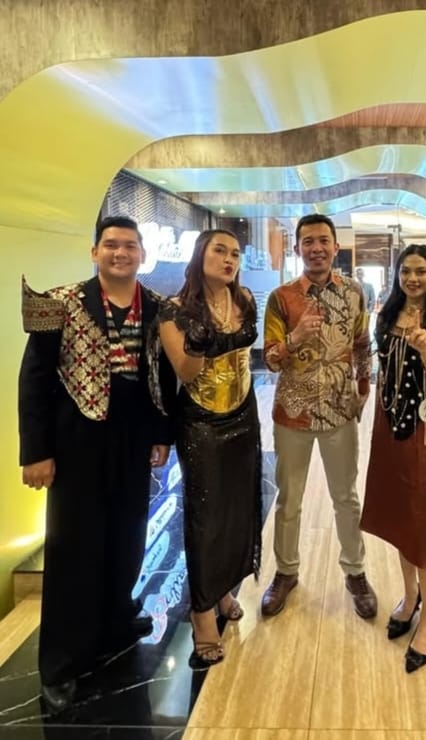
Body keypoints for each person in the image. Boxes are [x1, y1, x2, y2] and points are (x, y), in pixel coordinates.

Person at [18, 216, 175, 711]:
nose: (120, 253)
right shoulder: (61, 303)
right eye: (111, 245)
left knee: (128, 533)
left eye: (129, 245)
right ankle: (61, 663)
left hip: (132, 435)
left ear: (142, 254)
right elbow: (35, 378)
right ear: (95, 252)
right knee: (73, 547)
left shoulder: (158, 306)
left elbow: (162, 375)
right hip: (76, 440)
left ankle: (114, 623)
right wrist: (36, 452)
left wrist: (161, 435)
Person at [261, 214, 377, 619]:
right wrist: (294, 339)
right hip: (292, 412)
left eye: (323, 241)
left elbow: (362, 343)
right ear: (297, 248)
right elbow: (270, 360)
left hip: (340, 411)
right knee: (288, 499)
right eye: (308, 241)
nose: (316, 248)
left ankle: (355, 571)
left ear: (335, 247)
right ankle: (286, 571)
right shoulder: (281, 298)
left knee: (346, 497)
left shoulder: (354, 293)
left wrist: (364, 386)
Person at [159, 228, 262, 669]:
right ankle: (202, 612)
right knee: (205, 515)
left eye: (235, 253)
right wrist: (199, 340)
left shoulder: (244, 300)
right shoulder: (175, 310)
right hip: (201, 420)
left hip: (244, 412)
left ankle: (223, 591)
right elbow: (184, 372)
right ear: (201, 254)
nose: (229, 259)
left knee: (238, 506)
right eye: (220, 250)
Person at [360, 244, 426, 674]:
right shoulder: (386, 316)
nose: (413, 278)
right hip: (389, 425)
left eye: (421, 271)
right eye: (406, 271)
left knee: (424, 518)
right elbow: (382, 368)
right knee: (401, 515)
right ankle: (410, 595)